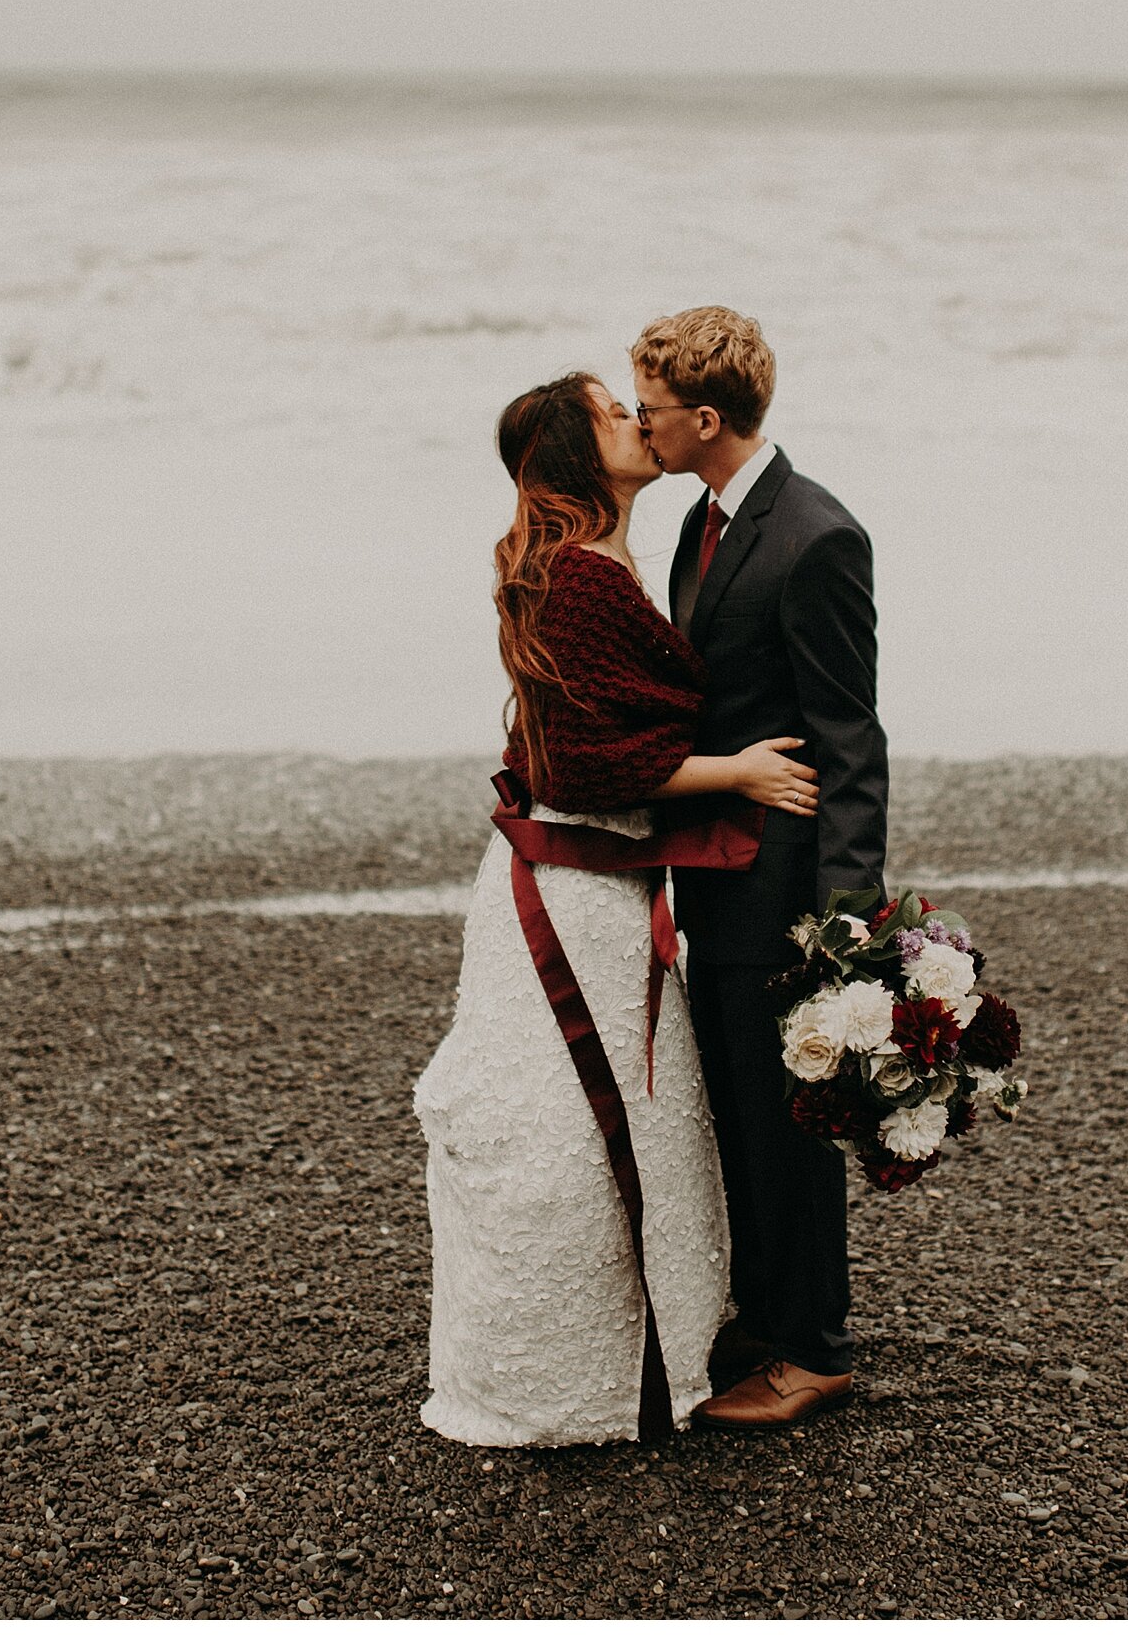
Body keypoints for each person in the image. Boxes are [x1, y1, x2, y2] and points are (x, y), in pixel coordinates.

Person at [412, 371, 819, 1447]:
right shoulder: (582, 577)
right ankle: (583, 1374)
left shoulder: (610, 558)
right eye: (612, 411)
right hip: (578, 893)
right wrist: (733, 769)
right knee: (574, 1125)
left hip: (601, 882)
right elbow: (584, 762)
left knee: (618, 1118)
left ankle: (631, 1350)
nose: (638, 419)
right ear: (575, 450)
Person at [631, 306, 889, 1430]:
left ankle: (815, 1349)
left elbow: (851, 739)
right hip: (717, 871)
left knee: (787, 1121)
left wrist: (842, 926)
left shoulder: (815, 535)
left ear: (704, 413)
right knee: (737, 1106)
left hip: (782, 887)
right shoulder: (703, 520)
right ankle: (768, 1314)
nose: (639, 421)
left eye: (649, 404)